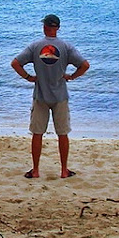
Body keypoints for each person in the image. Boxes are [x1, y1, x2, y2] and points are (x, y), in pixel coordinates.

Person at [11, 14, 90, 179]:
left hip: (40, 95)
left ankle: (36, 170)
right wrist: (71, 76)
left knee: (37, 133)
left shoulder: (35, 46)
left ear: (44, 27)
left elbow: (16, 63)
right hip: (60, 95)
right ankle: (63, 170)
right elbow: (85, 65)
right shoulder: (66, 47)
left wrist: (29, 77)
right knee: (62, 133)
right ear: (58, 28)